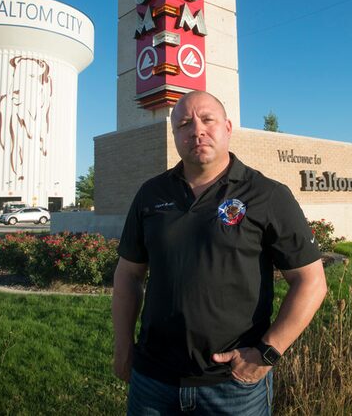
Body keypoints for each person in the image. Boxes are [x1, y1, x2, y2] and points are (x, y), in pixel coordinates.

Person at [112, 91, 328, 415]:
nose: (196, 130)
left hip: (233, 388)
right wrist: (123, 348)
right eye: (184, 123)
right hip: (153, 382)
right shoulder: (150, 194)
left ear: (227, 127)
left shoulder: (267, 195)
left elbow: (311, 281)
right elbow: (128, 275)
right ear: (174, 136)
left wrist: (266, 353)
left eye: (207, 119)